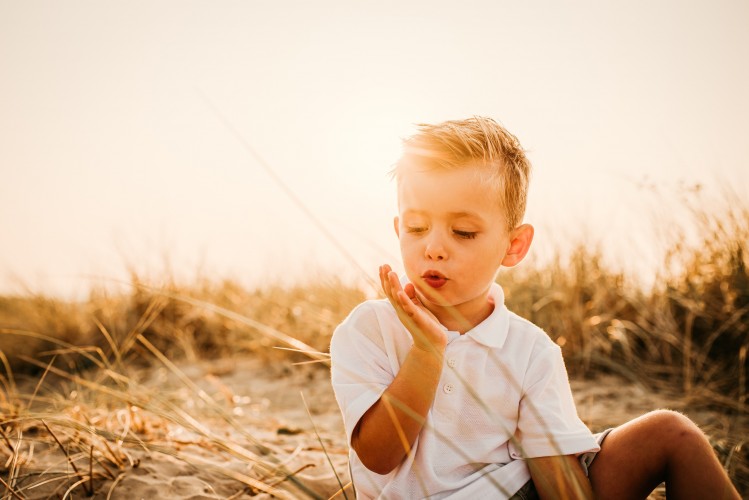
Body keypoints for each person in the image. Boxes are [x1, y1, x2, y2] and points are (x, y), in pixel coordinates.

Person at [329, 117, 740, 499]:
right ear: (399, 229)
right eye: (417, 228)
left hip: (518, 493)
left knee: (671, 433)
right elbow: (378, 457)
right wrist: (427, 351)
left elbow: (556, 477)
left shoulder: (529, 349)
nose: (433, 247)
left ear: (514, 246)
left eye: (464, 232)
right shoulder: (368, 329)